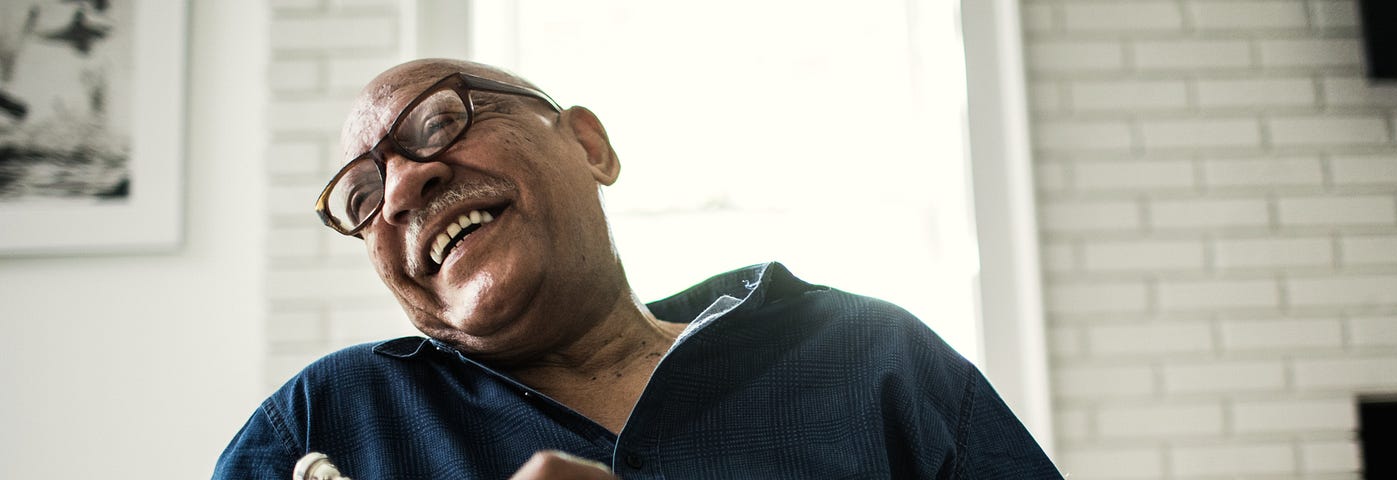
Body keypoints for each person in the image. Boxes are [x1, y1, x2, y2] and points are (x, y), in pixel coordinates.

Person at [213, 58, 1060, 479]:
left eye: (439, 122)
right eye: (360, 199)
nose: (402, 187)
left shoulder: (873, 357)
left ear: (589, 144)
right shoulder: (324, 426)